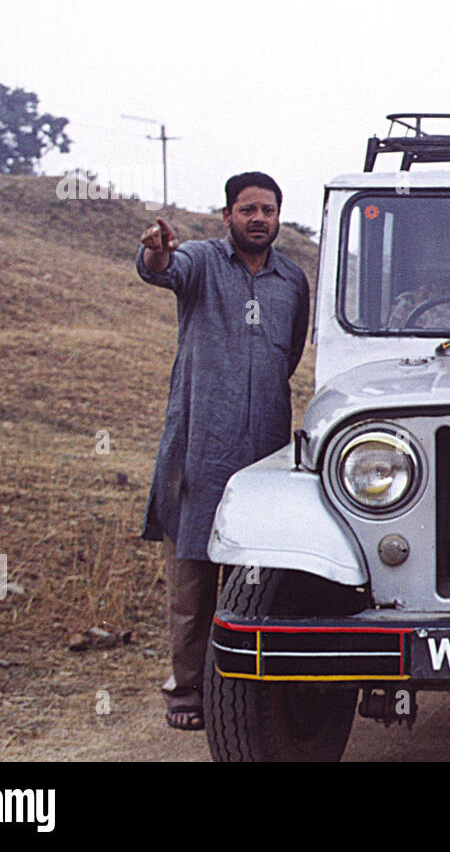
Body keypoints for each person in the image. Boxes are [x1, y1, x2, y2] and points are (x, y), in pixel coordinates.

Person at [136, 171, 310, 731]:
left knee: (255, 582)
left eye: (268, 210)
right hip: (198, 449)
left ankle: (245, 692)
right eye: (247, 209)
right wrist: (157, 256)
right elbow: (163, 271)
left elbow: (289, 354)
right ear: (227, 215)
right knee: (191, 583)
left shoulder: (292, 280)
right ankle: (186, 691)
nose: (258, 218)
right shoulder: (201, 263)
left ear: (279, 217)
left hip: (263, 455)